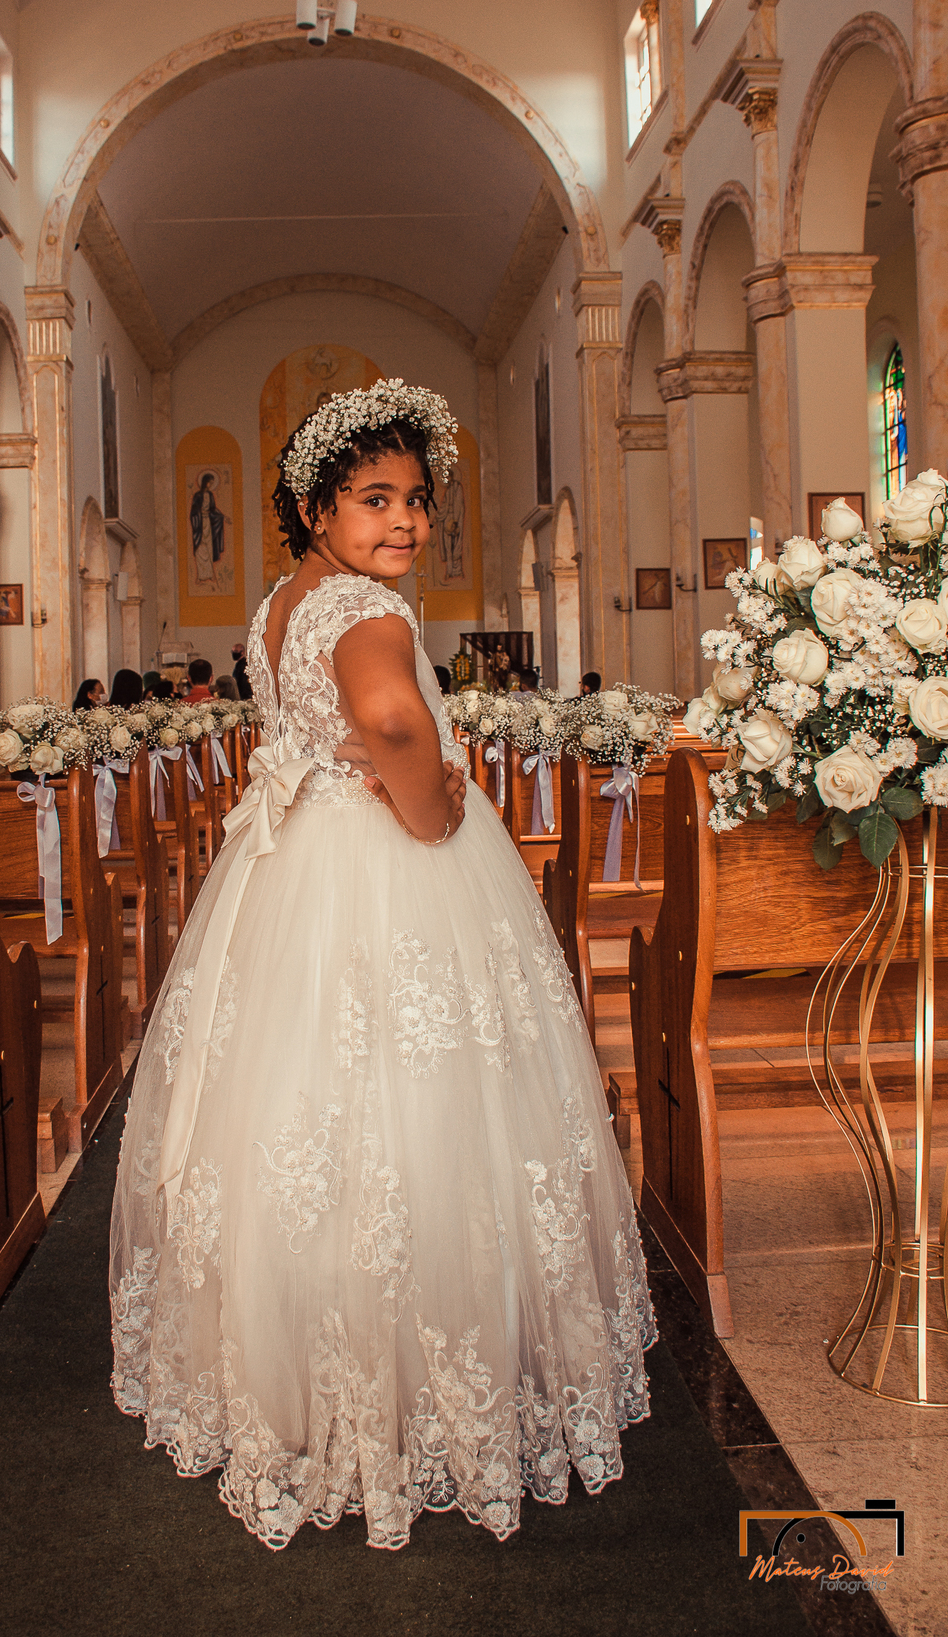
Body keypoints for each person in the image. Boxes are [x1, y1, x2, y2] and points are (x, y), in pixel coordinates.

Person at [110, 378, 654, 1552]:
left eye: (416, 500)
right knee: (420, 1105)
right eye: (373, 499)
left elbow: (325, 722)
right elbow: (396, 720)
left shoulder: (279, 605)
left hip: (292, 865)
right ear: (315, 507)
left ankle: (306, 1374)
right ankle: (410, 1379)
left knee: (297, 1110)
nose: (403, 521)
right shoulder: (368, 612)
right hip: (384, 862)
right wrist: (432, 810)